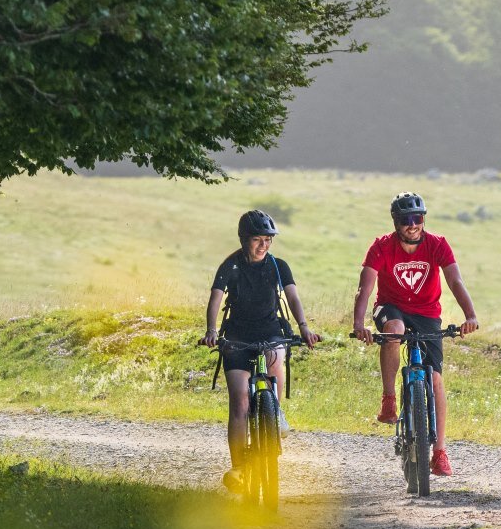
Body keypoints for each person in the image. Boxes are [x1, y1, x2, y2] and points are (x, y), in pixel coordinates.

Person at [350, 192, 480, 477]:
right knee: (393, 331)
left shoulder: (437, 244)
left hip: (426, 313)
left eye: (417, 219)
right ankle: (389, 400)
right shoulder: (381, 247)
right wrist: (359, 323)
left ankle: (440, 453)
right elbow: (365, 287)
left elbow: (455, 280)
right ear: (396, 222)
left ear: (423, 220)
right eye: (406, 220)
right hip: (391, 307)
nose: (412, 225)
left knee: (435, 379)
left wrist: (470, 315)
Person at [202, 209, 320, 493]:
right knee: (240, 403)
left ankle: (274, 412)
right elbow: (215, 299)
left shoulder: (278, 266)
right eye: (258, 239)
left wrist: (304, 327)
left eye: (268, 239)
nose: (264, 245)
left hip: (270, 331)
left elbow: (292, 296)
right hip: (236, 337)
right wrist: (212, 331)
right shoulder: (229, 266)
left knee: (276, 358)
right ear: (244, 240)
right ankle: (239, 468)